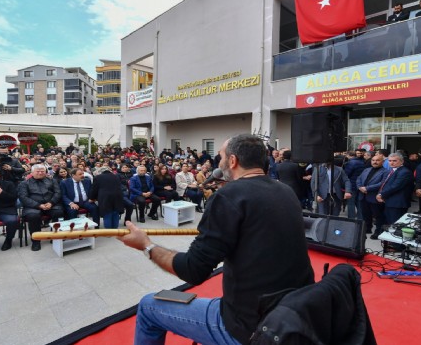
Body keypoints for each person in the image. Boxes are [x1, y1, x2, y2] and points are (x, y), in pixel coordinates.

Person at [117, 134, 314, 344]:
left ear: (232, 161)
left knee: (148, 306)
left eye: (220, 156)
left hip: (251, 327)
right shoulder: (286, 191)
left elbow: (193, 269)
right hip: (294, 314)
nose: (217, 162)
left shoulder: (229, 196)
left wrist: (146, 245)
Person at [18, 164, 64, 251]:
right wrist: (38, 205)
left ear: (46, 172)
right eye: (37, 171)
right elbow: (23, 197)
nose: (40, 173)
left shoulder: (52, 181)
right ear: (32, 172)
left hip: (51, 205)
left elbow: (58, 193)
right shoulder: (24, 183)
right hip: (33, 206)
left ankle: (55, 236)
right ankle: (36, 240)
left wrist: (51, 203)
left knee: (59, 212)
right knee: (33, 216)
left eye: (42, 171)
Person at [376, 153, 414, 226]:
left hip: (397, 203)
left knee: (396, 224)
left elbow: (395, 186)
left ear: (402, 161)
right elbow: (386, 184)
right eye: (390, 161)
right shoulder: (394, 170)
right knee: (389, 222)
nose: (391, 163)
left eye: (394, 161)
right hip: (390, 201)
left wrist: (381, 194)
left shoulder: (404, 172)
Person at [356, 154, 388, 237]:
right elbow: (358, 179)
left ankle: (378, 231)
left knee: (378, 215)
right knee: (365, 214)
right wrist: (360, 187)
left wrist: (367, 188)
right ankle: (367, 228)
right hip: (363, 196)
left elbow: (382, 183)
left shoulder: (386, 171)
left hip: (374, 196)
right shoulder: (366, 169)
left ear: (383, 161)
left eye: (377, 160)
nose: (375, 162)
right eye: (373, 160)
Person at [344, 150, 366, 220]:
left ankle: (351, 219)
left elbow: (346, 174)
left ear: (349, 155)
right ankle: (360, 219)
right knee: (359, 203)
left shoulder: (351, 163)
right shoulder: (363, 162)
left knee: (351, 203)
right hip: (361, 185)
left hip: (352, 184)